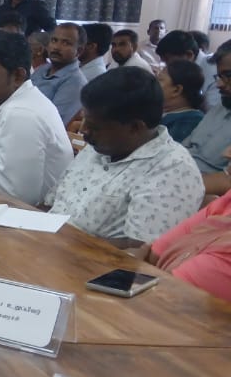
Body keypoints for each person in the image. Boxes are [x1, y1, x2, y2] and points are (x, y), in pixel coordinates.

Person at [45, 68, 203, 247]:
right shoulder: (102, 146)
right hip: (44, 245)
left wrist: (62, 242)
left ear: (135, 128)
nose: (83, 131)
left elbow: (139, 252)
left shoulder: (173, 171)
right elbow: (50, 203)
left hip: (82, 259)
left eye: (94, 127)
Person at [0, 31, 72, 206]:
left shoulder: (21, 113)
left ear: (18, 76)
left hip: (24, 217)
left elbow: (13, 199)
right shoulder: (3, 104)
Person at [140, 175, 231, 303]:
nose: (226, 156)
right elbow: (153, 254)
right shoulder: (227, 202)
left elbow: (167, 293)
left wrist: (137, 266)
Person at [183, 39, 231, 196]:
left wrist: (173, 184)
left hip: (194, 191)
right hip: (179, 173)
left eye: (228, 76)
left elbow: (227, 180)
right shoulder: (223, 105)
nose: (219, 84)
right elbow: (185, 148)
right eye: (219, 76)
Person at [30, 22, 87, 125]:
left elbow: (53, 123)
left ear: (79, 51)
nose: (56, 47)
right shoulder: (41, 70)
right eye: (54, 40)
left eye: (66, 43)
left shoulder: (75, 82)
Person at [158, 60, 206, 143]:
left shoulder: (190, 121)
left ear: (176, 90)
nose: (153, 84)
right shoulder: (160, 110)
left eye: (159, 79)